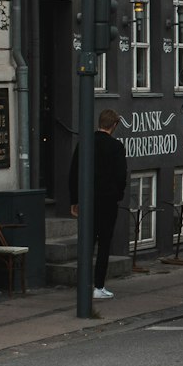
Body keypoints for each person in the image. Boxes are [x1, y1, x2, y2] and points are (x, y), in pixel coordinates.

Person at [69, 109, 128, 300]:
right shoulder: (116, 147)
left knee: (87, 241)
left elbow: (73, 172)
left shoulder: (85, 144)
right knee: (104, 243)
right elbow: (121, 176)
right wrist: (117, 195)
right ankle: (98, 285)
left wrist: (74, 200)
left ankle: (83, 282)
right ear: (114, 125)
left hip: (87, 200)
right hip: (108, 201)